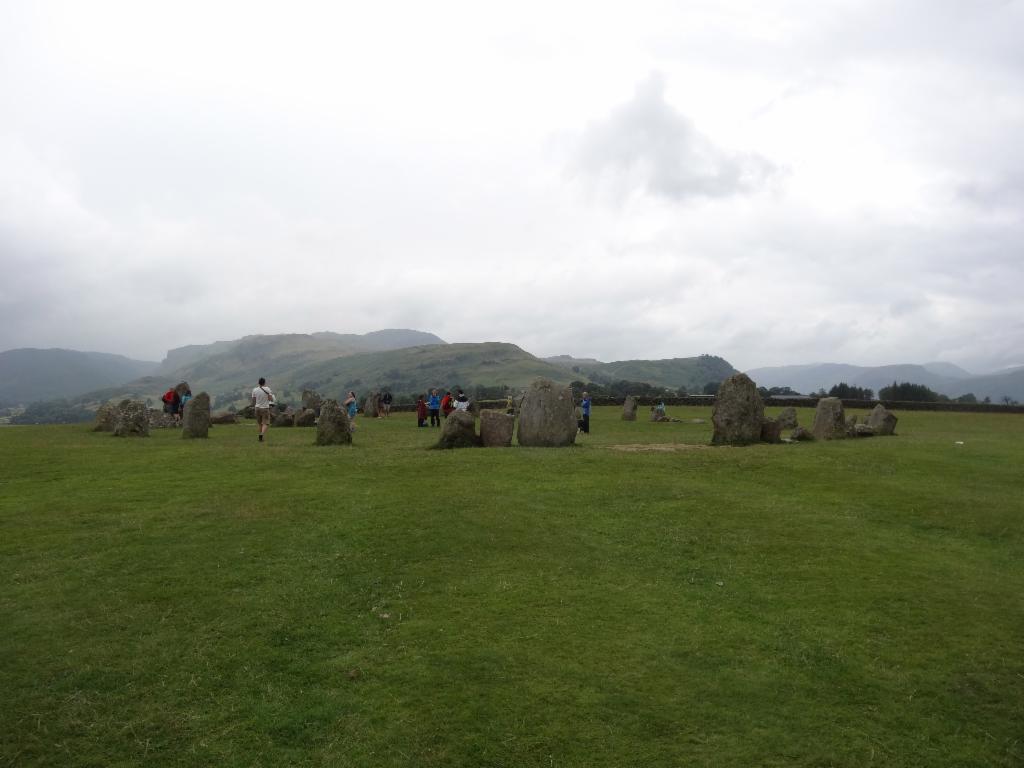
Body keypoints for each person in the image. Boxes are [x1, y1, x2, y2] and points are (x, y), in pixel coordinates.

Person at [251, 377, 276, 442]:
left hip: (257, 408)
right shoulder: (267, 389)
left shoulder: (254, 390)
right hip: (265, 408)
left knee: (260, 424)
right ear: (264, 382)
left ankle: (261, 437)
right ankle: (261, 434)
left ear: (258, 383)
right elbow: (271, 399)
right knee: (266, 423)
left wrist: (254, 407)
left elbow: (253, 400)